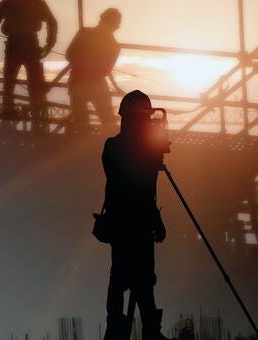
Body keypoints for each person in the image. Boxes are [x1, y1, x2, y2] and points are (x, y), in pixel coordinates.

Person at [101, 90, 172, 340]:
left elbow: (146, 190)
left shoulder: (118, 148)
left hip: (130, 225)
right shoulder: (117, 148)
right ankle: (125, 331)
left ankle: (140, 330)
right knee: (127, 280)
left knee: (139, 282)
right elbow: (136, 187)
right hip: (130, 225)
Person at [0, 0, 57, 120]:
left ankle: (9, 110)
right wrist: (50, 43)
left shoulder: (12, 2)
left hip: (15, 45)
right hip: (29, 45)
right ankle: (35, 111)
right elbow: (52, 21)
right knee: (32, 83)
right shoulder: (36, 3)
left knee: (10, 82)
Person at [66, 9, 121, 133]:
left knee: (81, 121)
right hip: (96, 83)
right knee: (107, 119)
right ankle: (105, 146)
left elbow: (69, 55)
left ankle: (84, 145)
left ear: (101, 20)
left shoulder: (84, 33)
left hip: (79, 81)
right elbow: (107, 70)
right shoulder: (114, 45)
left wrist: (83, 61)